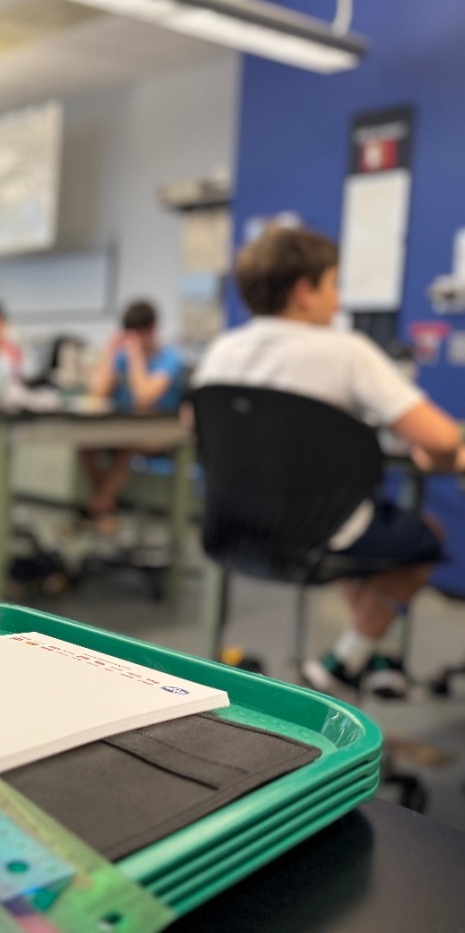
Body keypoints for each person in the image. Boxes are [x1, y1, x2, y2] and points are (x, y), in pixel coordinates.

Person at [193, 226, 464, 698]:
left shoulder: (221, 350)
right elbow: (442, 438)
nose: (338, 302)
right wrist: (434, 456)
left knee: (358, 531)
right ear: (305, 290)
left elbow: (197, 426)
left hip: (234, 530)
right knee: (421, 538)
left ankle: (370, 654)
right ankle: (344, 664)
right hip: (320, 534)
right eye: (334, 285)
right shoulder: (346, 351)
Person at [80, 300, 186, 530]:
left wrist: (136, 358)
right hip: (123, 429)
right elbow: (97, 393)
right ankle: (105, 507)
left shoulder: (171, 359)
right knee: (86, 444)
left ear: (151, 330)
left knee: (129, 445)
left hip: (163, 432)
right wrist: (109, 353)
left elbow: (144, 398)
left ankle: (97, 507)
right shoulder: (121, 357)